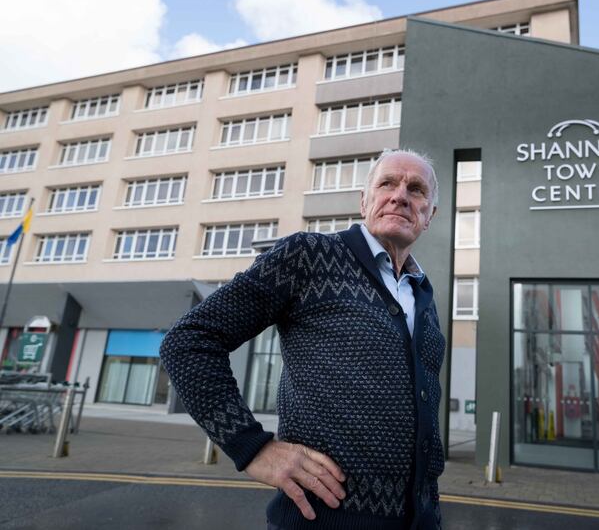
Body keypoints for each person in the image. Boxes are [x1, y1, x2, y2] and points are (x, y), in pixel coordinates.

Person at [160, 149, 446, 529]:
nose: (400, 196)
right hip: (322, 519)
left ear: (429, 216)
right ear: (364, 201)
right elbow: (188, 340)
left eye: (416, 189)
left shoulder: (422, 292)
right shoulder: (309, 255)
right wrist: (254, 448)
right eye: (387, 183)